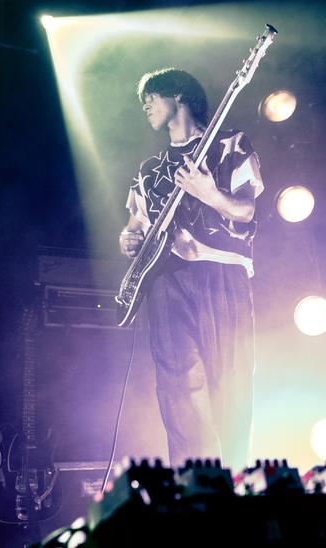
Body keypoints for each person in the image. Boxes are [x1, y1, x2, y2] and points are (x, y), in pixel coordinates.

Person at [119, 67, 263, 472]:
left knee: (231, 383)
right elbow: (133, 227)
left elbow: (247, 211)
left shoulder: (230, 144)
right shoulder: (148, 169)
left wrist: (210, 193)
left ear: (178, 94)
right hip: (166, 281)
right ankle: (195, 488)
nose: (145, 105)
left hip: (223, 273)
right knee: (179, 387)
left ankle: (238, 482)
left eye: (152, 96)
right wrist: (127, 239)